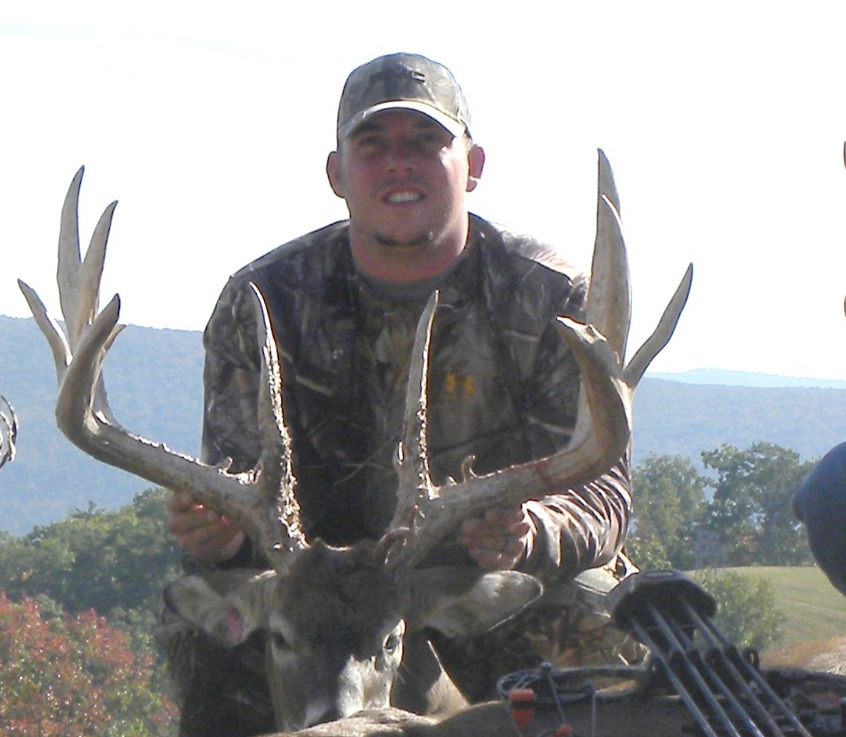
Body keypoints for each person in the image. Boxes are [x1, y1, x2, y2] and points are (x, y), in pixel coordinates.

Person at [164, 51, 640, 736]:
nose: (399, 164)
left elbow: (602, 491)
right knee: (197, 616)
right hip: (323, 600)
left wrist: (533, 528)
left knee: (597, 614)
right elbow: (240, 477)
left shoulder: (551, 297)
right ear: (337, 173)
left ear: (472, 165)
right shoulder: (264, 298)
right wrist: (223, 529)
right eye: (373, 146)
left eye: (425, 142)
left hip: (473, 584)